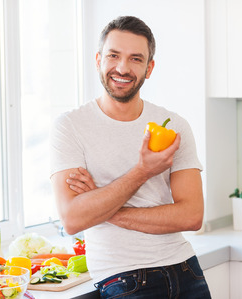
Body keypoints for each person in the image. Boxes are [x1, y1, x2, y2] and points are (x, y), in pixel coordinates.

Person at [50, 16, 211, 298]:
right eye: (114, 55)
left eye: (136, 59)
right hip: (124, 281)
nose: (122, 68)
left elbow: (192, 215)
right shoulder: (70, 127)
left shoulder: (172, 125)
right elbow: (73, 219)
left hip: (187, 271)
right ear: (98, 59)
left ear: (149, 68)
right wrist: (142, 171)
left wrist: (100, 205)